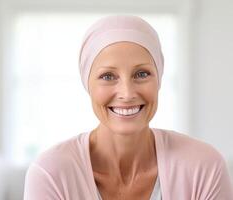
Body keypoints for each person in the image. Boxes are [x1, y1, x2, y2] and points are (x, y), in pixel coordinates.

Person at [23, 15, 233, 200]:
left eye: (141, 74)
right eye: (108, 76)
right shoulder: (51, 174)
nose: (127, 93)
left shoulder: (204, 167)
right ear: (88, 85)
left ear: (159, 79)